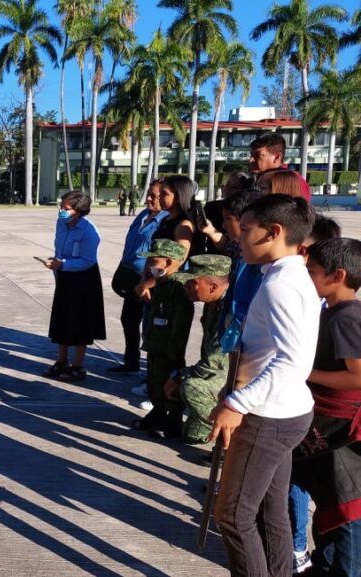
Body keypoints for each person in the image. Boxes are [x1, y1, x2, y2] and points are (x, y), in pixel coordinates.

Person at [209, 194, 319, 577]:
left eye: (248, 227)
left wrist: (238, 402)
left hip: (268, 414)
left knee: (233, 515)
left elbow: (293, 360)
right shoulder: (286, 275)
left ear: (274, 232)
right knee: (272, 511)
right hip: (285, 411)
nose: (239, 235)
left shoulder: (280, 286)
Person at [292, 238, 361, 576]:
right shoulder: (333, 313)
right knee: (329, 509)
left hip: (342, 434)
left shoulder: (346, 318)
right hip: (327, 428)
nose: (307, 277)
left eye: (313, 272)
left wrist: (303, 371)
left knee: (346, 512)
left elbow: (357, 378)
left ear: (338, 275)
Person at [164, 254, 232, 444]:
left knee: (191, 387)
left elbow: (212, 364)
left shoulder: (230, 312)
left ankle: (231, 435)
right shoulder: (213, 304)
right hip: (218, 372)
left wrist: (179, 376)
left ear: (213, 287)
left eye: (191, 283)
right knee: (192, 435)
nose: (185, 287)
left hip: (232, 376)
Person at [132, 239, 194, 438]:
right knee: (154, 380)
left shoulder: (179, 289)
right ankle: (158, 412)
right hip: (155, 344)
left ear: (168, 263)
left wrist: (174, 352)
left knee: (169, 384)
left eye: (153, 262)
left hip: (169, 348)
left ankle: (173, 420)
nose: (150, 266)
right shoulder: (161, 284)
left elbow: (180, 324)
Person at [42, 190, 106, 382]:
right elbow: (59, 248)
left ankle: (77, 365)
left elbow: (87, 260)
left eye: (66, 208)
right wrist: (56, 264)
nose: (61, 210)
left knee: (80, 322)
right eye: (61, 206)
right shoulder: (61, 223)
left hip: (84, 279)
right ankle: (61, 360)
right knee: (61, 319)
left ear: (79, 210)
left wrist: (63, 265)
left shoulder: (89, 231)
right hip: (64, 275)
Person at [110, 179, 168, 373]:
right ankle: (131, 361)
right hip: (130, 275)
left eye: (154, 196)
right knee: (128, 319)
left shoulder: (166, 221)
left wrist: (149, 281)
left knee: (150, 326)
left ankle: (151, 372)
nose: (149, 199)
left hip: (148, 280)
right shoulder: (143, 214)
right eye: (149, 194)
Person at [134, 175, 197, 302]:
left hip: (170, 288)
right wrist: (144, 279)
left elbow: (177, 262)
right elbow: (153, 253)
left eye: (164, 194)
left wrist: (146, 284)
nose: (159, 198)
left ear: (179, 197)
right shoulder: (166, 219)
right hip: (155, 284)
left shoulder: (183, 225)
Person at [249, 133, 312, 201]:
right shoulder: (255, 179)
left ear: (277, 157)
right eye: (251, 155)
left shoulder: (293, 181)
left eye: (258, 155)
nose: (251, 160)